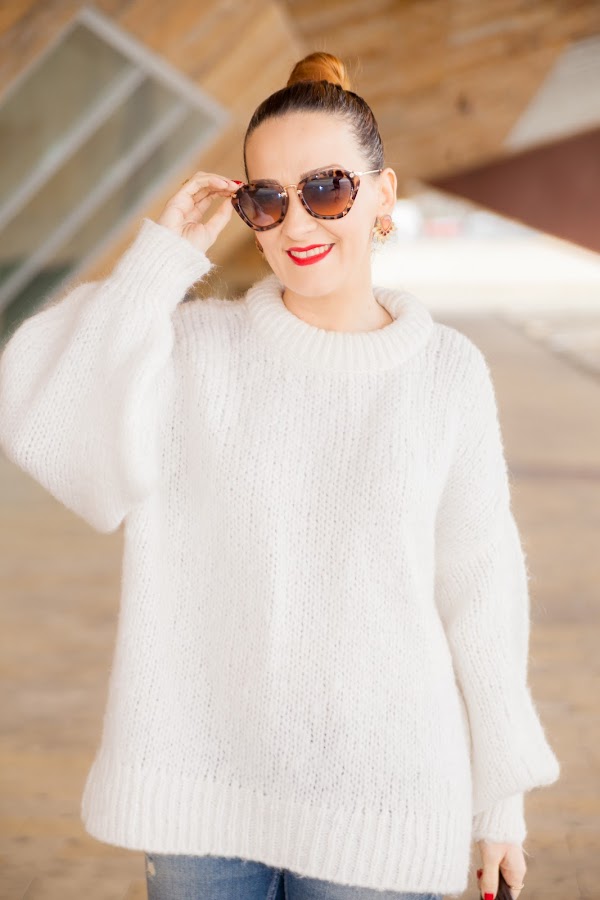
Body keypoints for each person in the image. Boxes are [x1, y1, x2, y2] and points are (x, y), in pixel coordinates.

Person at [0, 51, 561, 900]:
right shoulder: (193, 351)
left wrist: (500, 804)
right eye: (266, 199)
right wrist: (159, 262)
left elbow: (482, 592)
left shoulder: (446, 372)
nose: (297, 223)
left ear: (384, 195)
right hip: (199, 789)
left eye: (326, 188)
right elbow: (46, 419)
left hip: (384, 797)